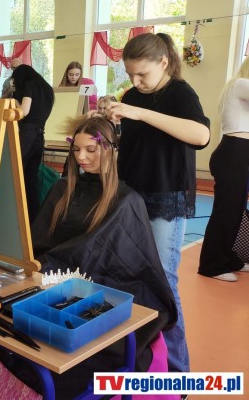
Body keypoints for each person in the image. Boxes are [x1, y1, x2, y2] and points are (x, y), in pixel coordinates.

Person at [22, 116, 178, 397]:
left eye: (90, 150)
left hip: (105, 286)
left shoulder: (127, 201)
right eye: (76, 150)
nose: (81, 157)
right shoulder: (62, 189)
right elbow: (39, 240)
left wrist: (53, 266)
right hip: (54, 279)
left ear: (110, 150)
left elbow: (115, 258)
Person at [107, 32, 210, 374]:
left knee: (164, 281)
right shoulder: (133, 95)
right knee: (128, 274)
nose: (136, 82)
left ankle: (178, 371)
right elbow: (133, 145)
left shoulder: (179, 92)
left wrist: (139, 112)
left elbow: (201, 135)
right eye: (130, 75)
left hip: (166, 195)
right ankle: (140, 358)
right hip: (131, 194)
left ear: (164, 63)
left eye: (142, 74)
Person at [198, 57, 249, 281]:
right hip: (233, 154)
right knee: (226, 212)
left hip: (240, 155)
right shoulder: (240, 84)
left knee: (236, 211)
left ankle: (228, 258)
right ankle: (211, 265)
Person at [11, 64, 55, 223]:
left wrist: (13, 101)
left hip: (27, 135)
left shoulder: (30, 85)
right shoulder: (47, 89)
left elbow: (24, 111)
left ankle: (17, 219)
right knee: (31, 180)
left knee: (15, 174)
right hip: (39, 137)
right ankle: (33, 221)